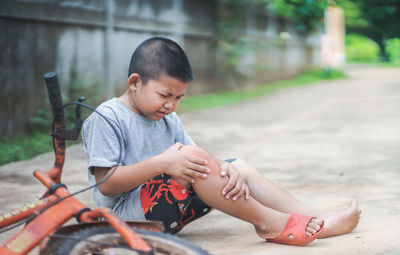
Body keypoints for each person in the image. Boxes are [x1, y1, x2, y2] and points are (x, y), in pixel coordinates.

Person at [82, 36, 361, 246]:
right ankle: (269, 223)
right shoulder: (107, 118)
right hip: (123, 220)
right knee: (199, 162)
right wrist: (161, 163)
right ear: (134, 82)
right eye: (165, 95)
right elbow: (106, 185)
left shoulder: (167, 119)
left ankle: (316, 217)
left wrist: (227, 170)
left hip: (168, 210)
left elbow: (197, 155)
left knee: (235, 165)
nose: (171, 105)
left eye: (179, 98)